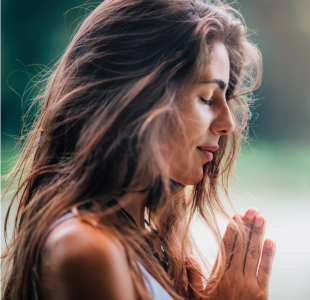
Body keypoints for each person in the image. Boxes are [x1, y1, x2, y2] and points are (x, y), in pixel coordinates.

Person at [1, 0, 276, 299]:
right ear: (140, 98)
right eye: (208, 98)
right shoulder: (86, 249)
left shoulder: (151, 246)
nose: (228, 124)